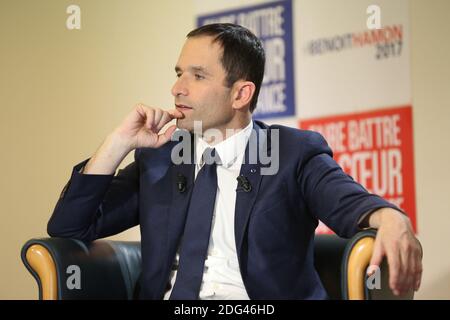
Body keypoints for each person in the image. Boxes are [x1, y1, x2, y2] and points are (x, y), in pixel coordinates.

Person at [47, 23, 422, 300]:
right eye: (179, 74)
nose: (177, 88)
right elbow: (69, 227)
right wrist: (117, 144)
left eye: (197, 76)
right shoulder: (160, 158)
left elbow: (349, 203)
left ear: (241, 93)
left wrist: (392, 218)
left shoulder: (292, 153)